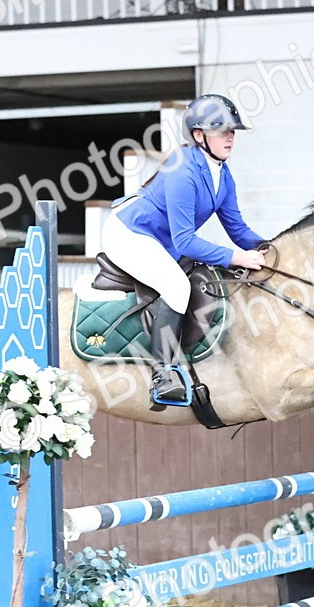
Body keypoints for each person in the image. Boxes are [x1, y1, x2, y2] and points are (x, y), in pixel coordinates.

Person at [101, 93, 268, 406]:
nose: (230, 137)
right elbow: (185, 241)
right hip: (129, 233)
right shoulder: (183, 171)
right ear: (199, 135)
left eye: (232, 131)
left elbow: (238, 231)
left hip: (160, 239)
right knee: (176, 285)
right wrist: (236, 257)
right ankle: (162, 375)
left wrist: (270, 249)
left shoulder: (223, 175)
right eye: (221, 131)